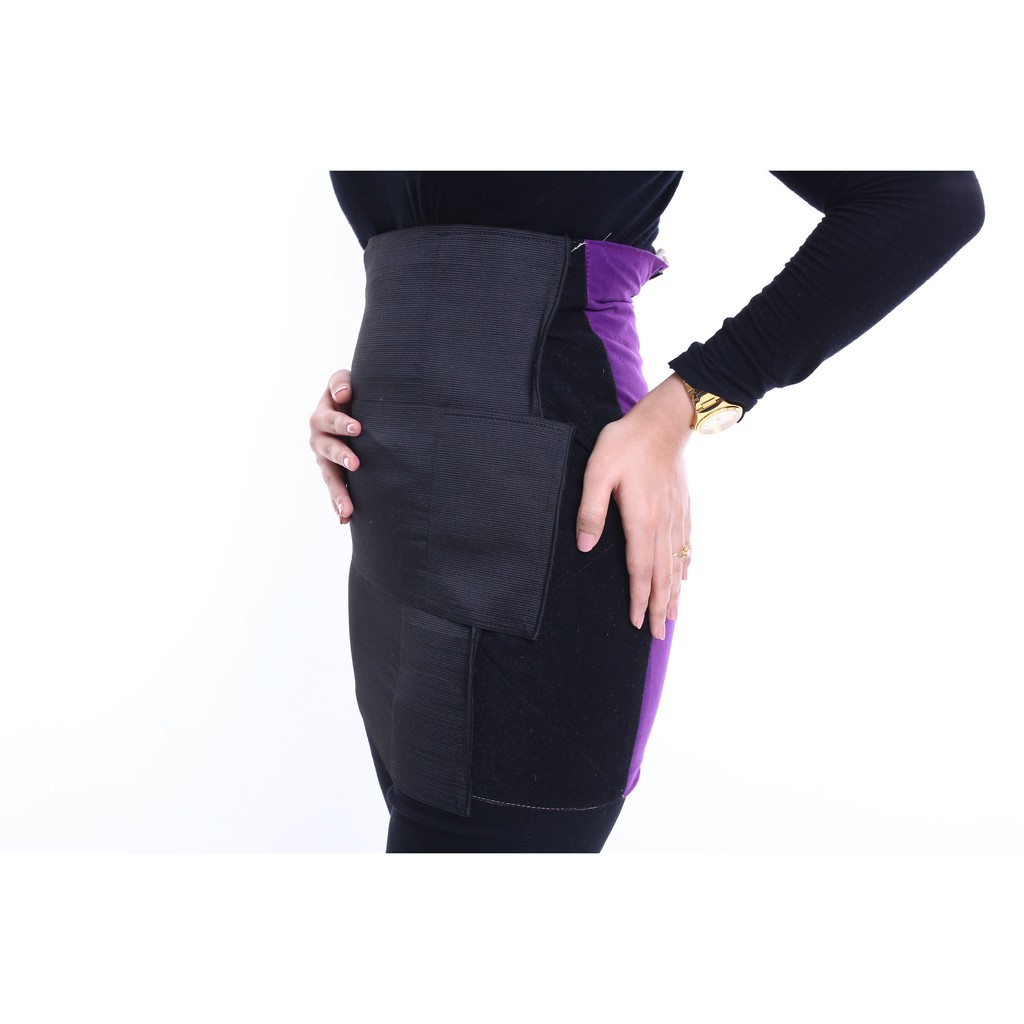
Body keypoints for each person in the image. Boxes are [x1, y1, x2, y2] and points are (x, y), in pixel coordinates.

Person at [309, 172, 984, 853]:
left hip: (548, 527)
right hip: (393, 540)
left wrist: (691, 400)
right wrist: (370, 400)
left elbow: (929, 201)